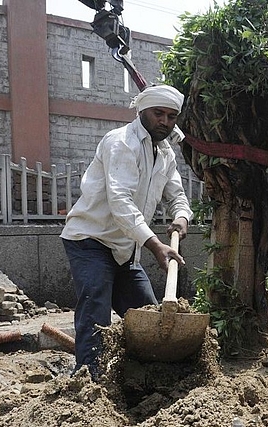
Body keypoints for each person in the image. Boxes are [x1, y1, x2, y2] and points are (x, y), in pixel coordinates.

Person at [60, 85, 193, 379]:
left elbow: (177, 194)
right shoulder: (120, 143)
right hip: (90, 240)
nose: (165, 122)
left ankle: (147, 378)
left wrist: (181, 217)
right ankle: (87, 380)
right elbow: (120, 201)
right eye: (159, 114)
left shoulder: (165, 153)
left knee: (148, 316)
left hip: (125, 249)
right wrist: (156, 245)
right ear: (142, 111)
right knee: (96, 309)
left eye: (171, 116)